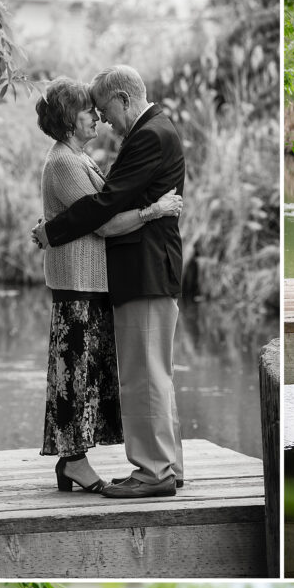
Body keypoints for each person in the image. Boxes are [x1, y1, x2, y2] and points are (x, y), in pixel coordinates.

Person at [33, 65, 185, 499]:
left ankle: (156, 471)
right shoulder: (78, 156)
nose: (103, 119)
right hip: (127, 275)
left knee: (145, 377)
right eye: (91, 111)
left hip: (145, 272)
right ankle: (162, 467)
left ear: (122, 99)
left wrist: (52, 230)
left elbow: (102, 207)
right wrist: (53, 229)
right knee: (144, 375)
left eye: (103, 109)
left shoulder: (148, 135)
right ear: (70, 118)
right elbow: (101, 209)